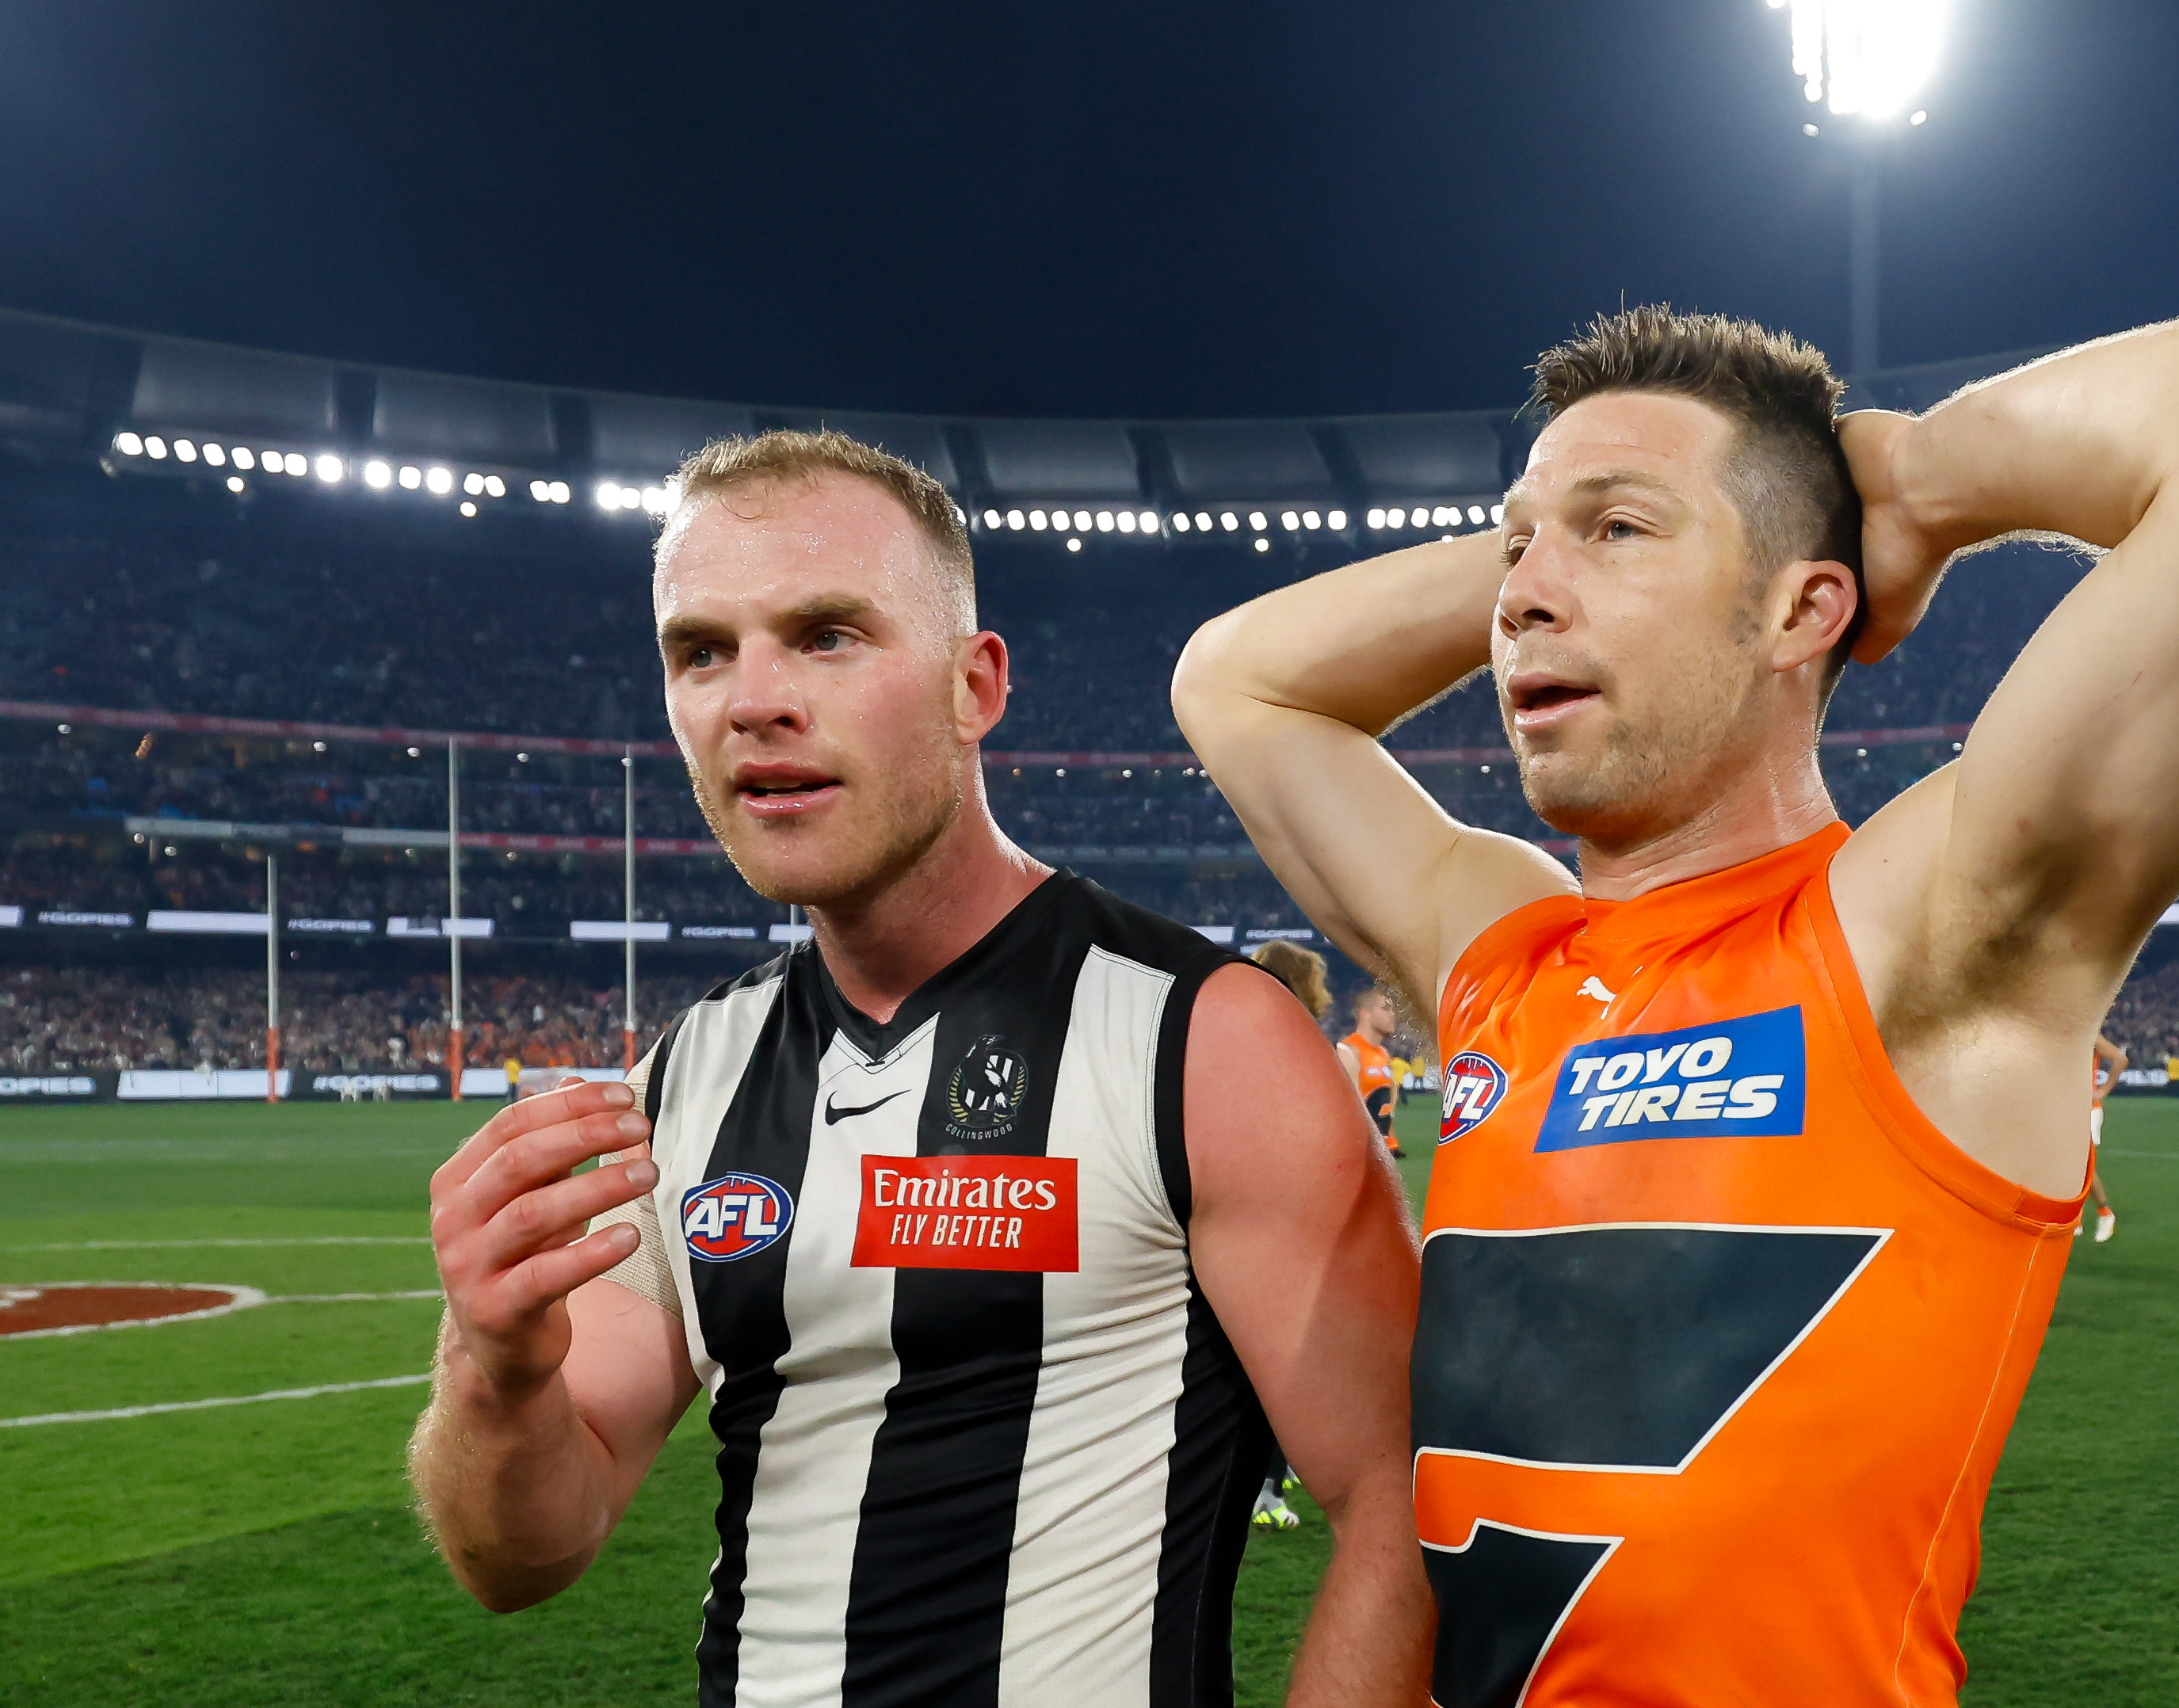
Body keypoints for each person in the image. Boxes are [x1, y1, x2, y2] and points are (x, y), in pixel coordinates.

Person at [1176, 297, 2179, 1704]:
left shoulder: (1923, 934)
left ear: (1804, 606)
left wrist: (1911, 481)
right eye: (1516, 545)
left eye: (1620, 530)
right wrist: (1560, 525)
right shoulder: (1499, 950)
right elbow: (1239, 684)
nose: (1516, 596)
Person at [410, 432, 1429, 1708]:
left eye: (827, 634)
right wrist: (491, 1368)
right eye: (701, 650)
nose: (753, 699)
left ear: (974, 685)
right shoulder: (689, 1072)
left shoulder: (1205, 1040)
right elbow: (525, 1552)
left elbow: (1404, 1502)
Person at [1243, 937, 1333, 1535]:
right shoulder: (1290, 1043)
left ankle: (1278, 1467)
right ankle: (1262, 1488)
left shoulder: (1235, 1032)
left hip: (1246, 1218)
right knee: (1279, 1363)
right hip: (1275, 1222)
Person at [1338, 988, 1406, 1158]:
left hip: (1385, 1150)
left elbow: (1390, 1092)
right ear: (1365, 1014)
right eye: (1385, 1008)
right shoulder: (1347, 1051)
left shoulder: (1383, 1053)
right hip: (1363, 1151)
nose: (1392, 1014)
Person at [2083, 1031, 2123, 1242]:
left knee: (2081, 1165)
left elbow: (2120, 1059)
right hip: (2066, 1108)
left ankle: (2105, 1213)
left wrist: (2104, 1089)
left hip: (2087, 1109)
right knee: (2065, 1164)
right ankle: (2074, 1219)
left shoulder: (2089, 1036)